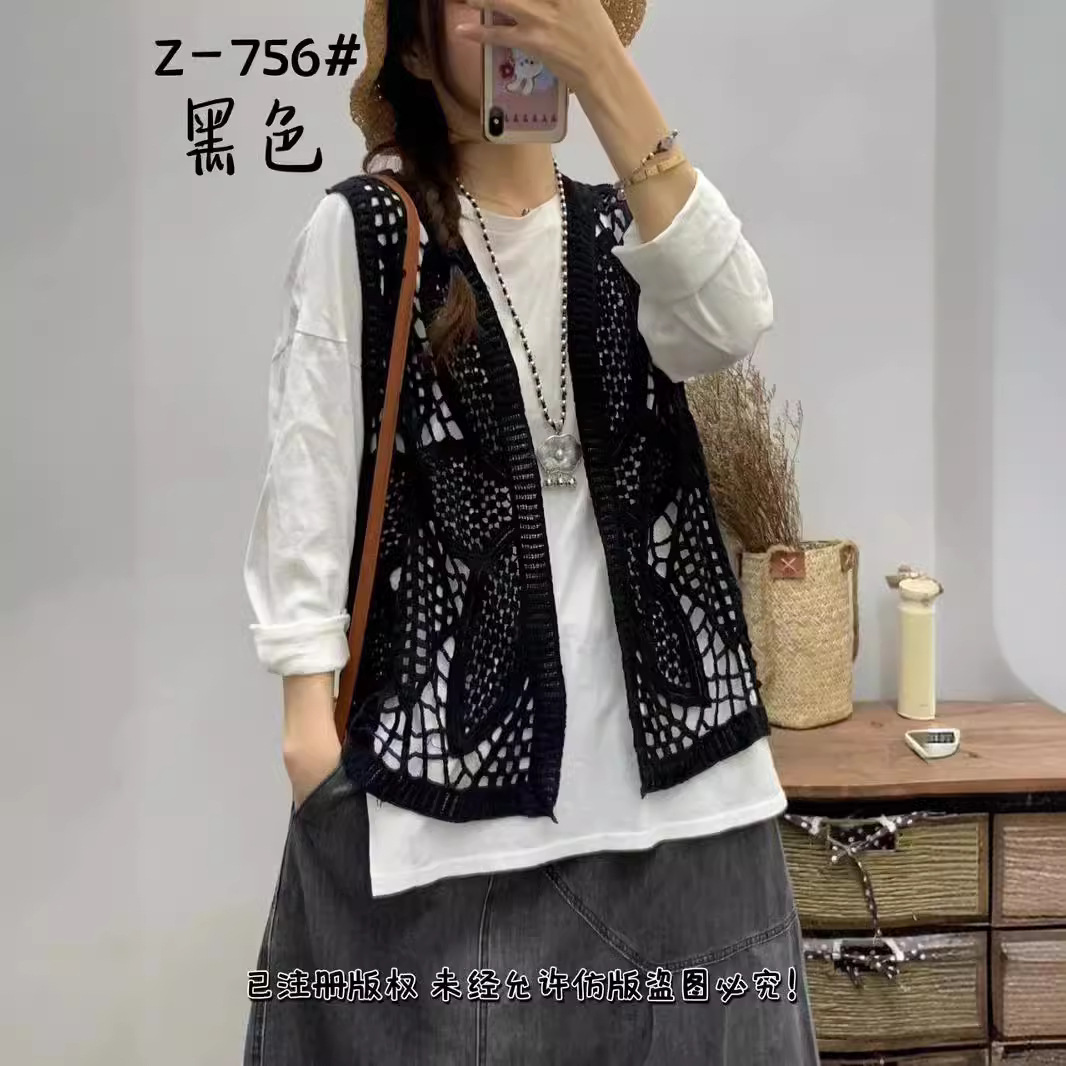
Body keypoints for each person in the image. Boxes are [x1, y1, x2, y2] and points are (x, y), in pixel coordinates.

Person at [241, 0, 819, 1062]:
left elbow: (732, 320)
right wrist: (305, 732)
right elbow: (308, 482)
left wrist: (608, 79)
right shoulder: (367, 232)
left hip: (691, 813)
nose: (518, 18)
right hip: (457, 824)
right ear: (417, 49)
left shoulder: (630, 231)